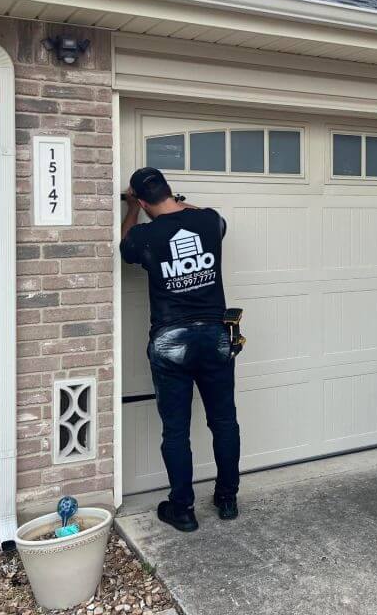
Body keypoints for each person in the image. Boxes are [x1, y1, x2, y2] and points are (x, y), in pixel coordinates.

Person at [120, 167, 240, 533]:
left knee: (175, 431)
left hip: (171, 341)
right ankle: (227, 499)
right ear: (171, 191)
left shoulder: (144, 235)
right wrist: (179, 204)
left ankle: (183, 509)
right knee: (224, 422)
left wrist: (131, 209)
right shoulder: (207, 221)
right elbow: (213, 218)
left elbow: (125, 248)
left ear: (143, 202)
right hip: (215, 336)